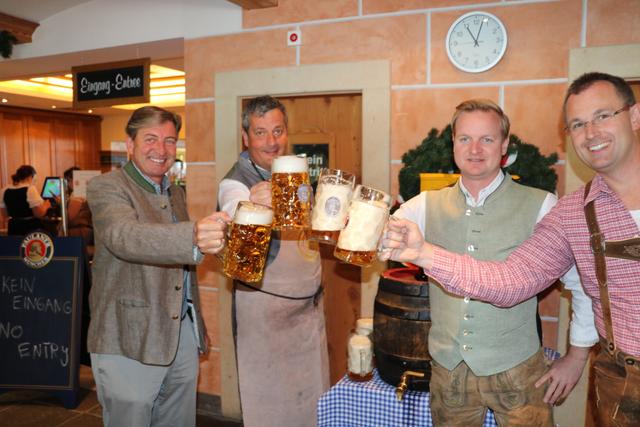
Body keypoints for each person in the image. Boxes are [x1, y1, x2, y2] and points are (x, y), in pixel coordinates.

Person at [381, 73, 640, 426]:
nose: (475, 150)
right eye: (578, 124)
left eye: (487, 139)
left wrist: (577, 355)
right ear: (453, 144)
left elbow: (579, 286)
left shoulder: (545, 205)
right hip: (451, 370)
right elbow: (509, 282)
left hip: (517, 370)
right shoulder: (424, 204)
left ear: (505, 146)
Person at [86, 106, 230, 427]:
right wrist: (193, 233)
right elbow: (125, 237)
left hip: (179, 338)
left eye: (169, 141)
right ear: (130, 144)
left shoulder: (175, 191)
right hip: (127, 339)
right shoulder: (107, 187)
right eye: (150, 139)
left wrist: (197, 331)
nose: (161, 150)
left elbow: (181, 266)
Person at [218, 95, 329, 427]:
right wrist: (253, 203)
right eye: (261, 132)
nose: (271, 142)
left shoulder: (293, 171)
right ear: (246, 137)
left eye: (277, 131)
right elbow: (231, 210)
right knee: (272, 410)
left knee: (312, 403)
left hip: (309, 312)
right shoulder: (235, 182)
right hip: (266, 315)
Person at [0, 165, 53, 235]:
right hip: (30, 229)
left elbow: (5, 215)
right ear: (31, 176)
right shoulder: (30, 189)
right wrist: (46, 205)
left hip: (13, 228)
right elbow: (38, 214)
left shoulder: (4, 190)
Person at [63, 166, 94, 244]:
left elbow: (70, 217)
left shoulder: (77, 194)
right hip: (87, 231)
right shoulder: (87, 190)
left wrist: (62, 205)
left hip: (79, 232)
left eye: (67, 180)